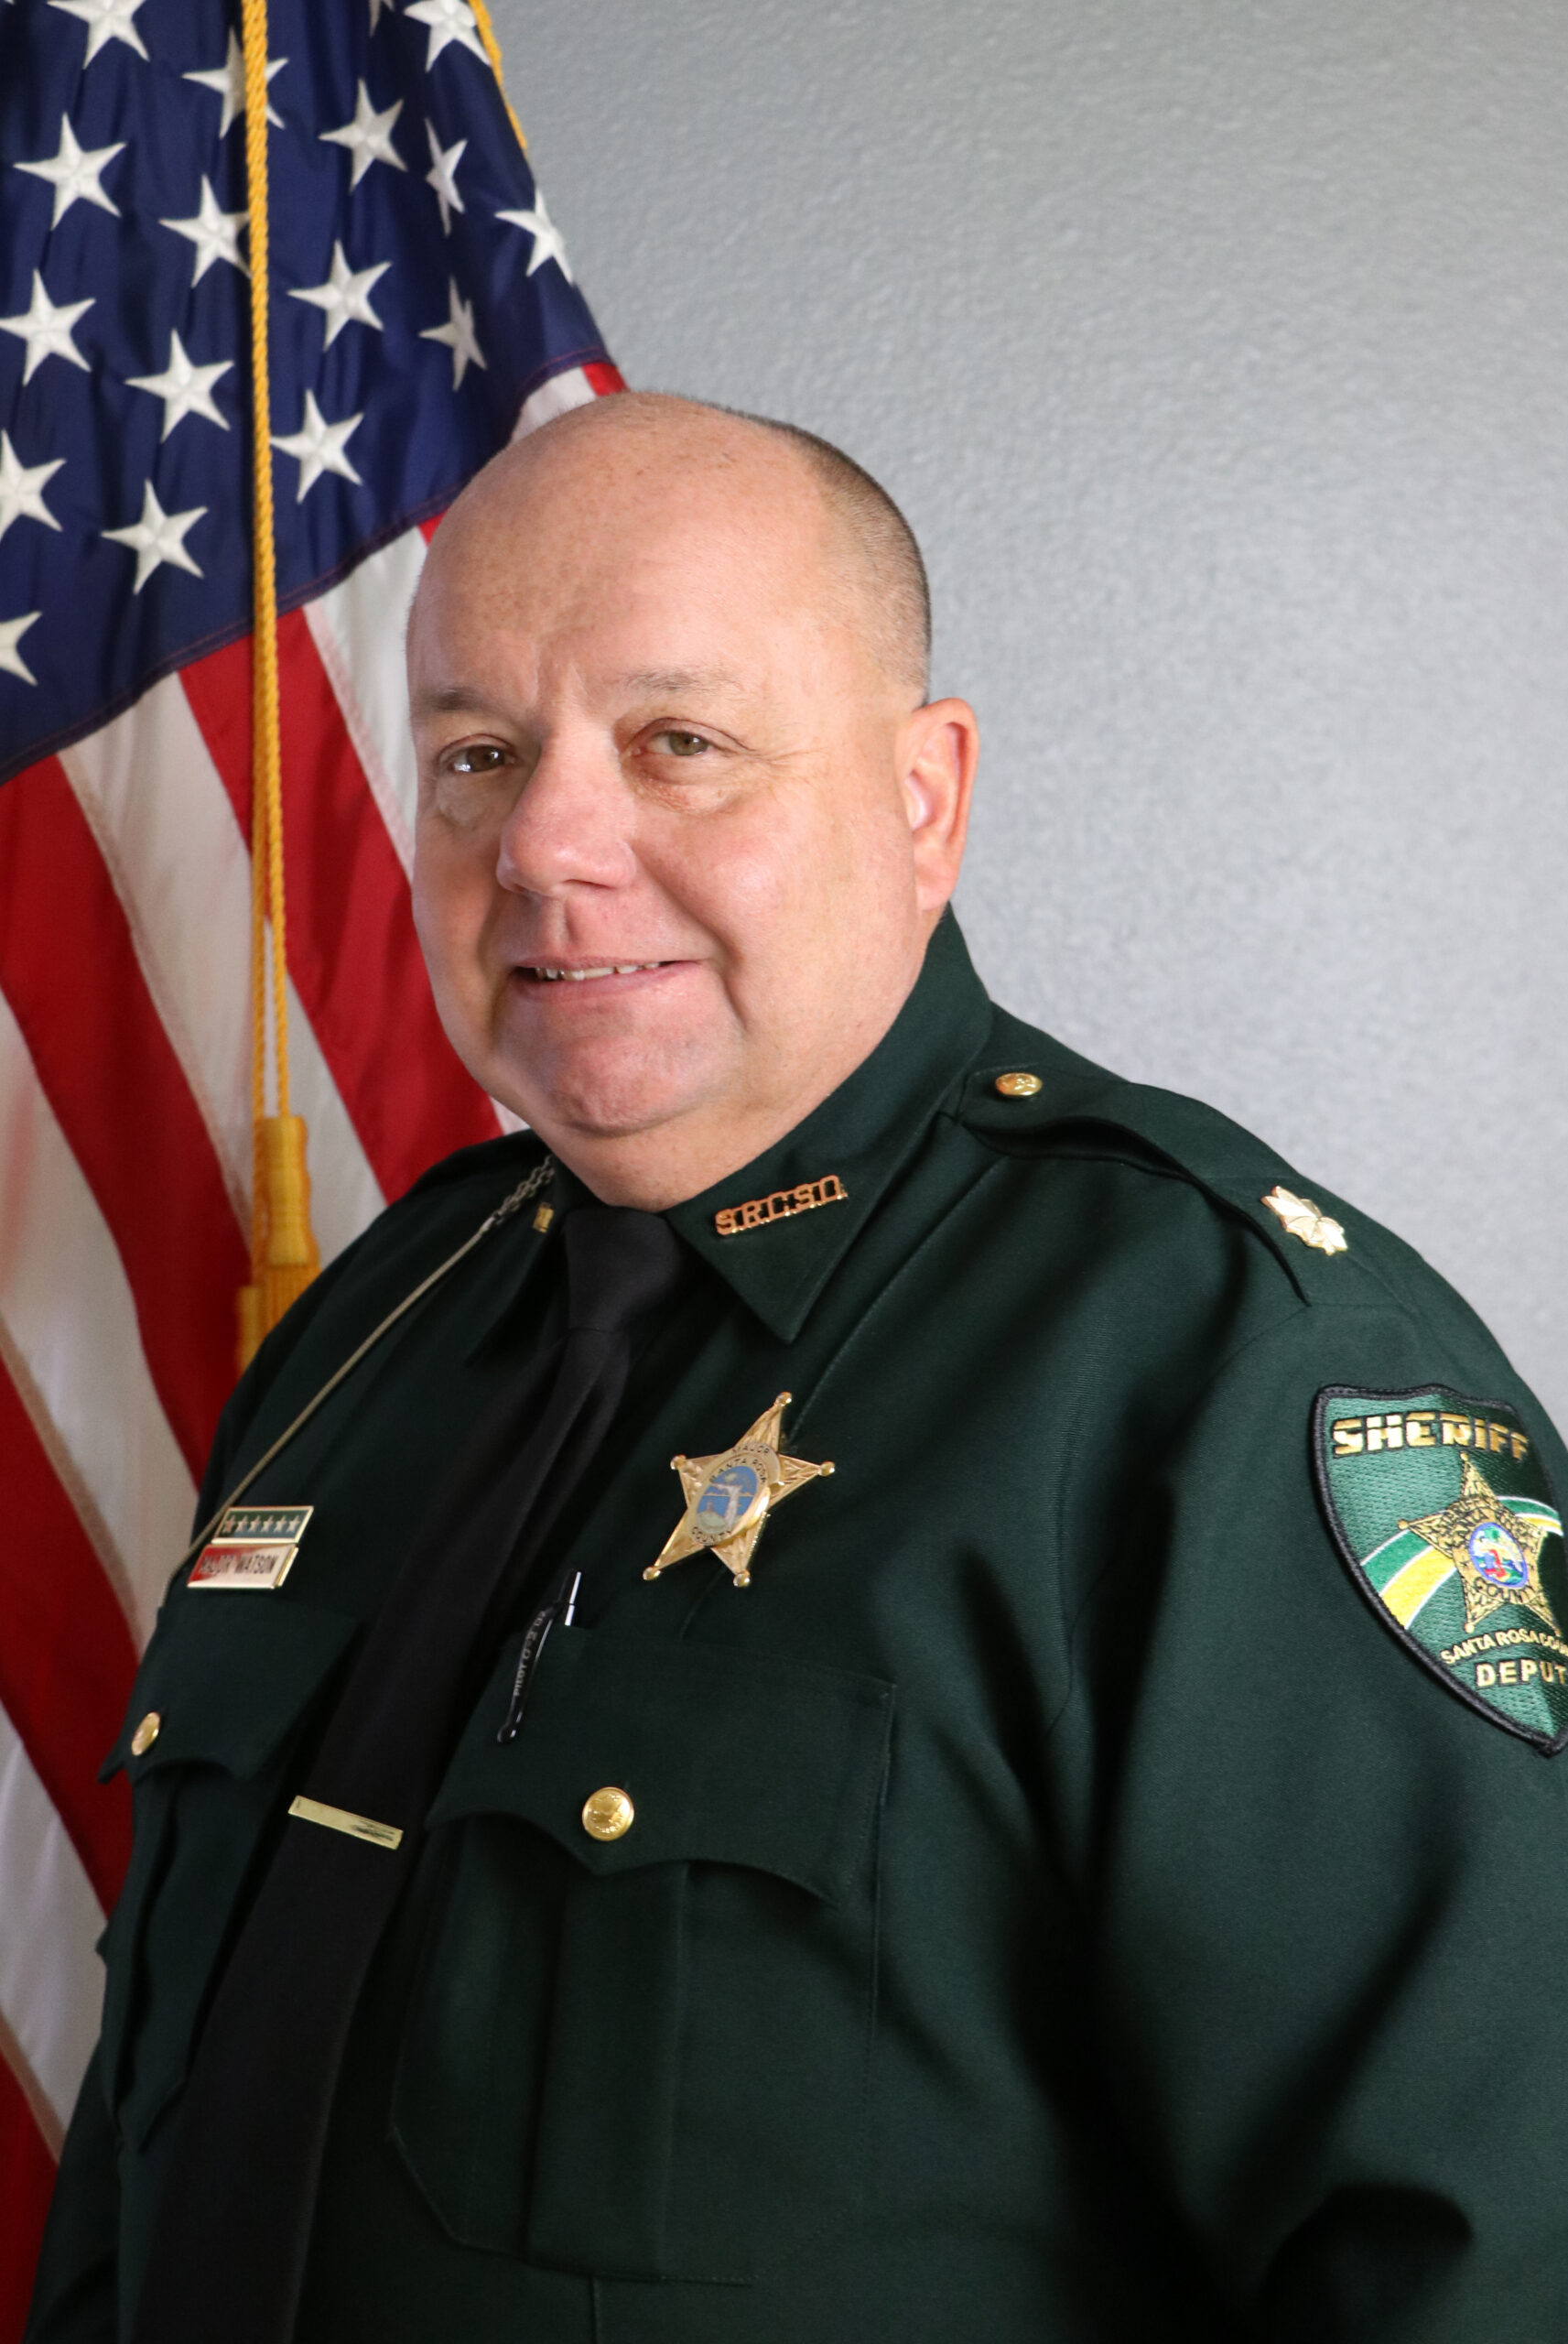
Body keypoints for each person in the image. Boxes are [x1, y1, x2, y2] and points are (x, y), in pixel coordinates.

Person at [27, 393, 1568, 2344]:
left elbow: (1483, 2265)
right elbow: (156, 2143)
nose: (545, 846)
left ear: (922, 796)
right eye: (477, 755)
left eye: (676, 742)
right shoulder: (378, 1324)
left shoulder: (1218, 1372)